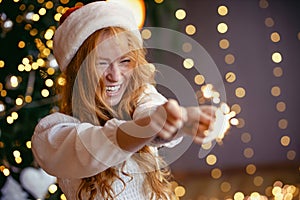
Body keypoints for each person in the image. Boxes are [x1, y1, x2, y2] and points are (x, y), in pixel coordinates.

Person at [31, 1, 216, 199]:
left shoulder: (140, 97)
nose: (116, 76)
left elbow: (152, 112)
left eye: (125, 61)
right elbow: (96, 144)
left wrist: (183, 121)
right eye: (101, 63)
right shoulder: (52, 135)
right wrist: (148, 126)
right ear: (78, 71)